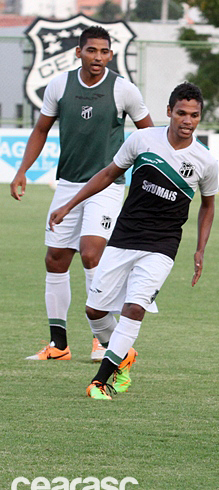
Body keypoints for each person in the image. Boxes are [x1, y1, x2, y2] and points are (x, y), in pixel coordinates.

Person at [48, 82, 218, 400]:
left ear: (199, 117)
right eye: (181, 113)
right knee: (95, 312)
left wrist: (200, 248)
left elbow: (208, 206)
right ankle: (123, 354)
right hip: (124, 237)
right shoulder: (141, 140)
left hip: (163, 245)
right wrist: (68, 205)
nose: (187, 120)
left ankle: (100, 381)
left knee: (134, 308)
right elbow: (108, 174)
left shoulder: (205, 162)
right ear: (169, 112)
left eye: (194, 115)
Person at [11, 25, 153, 363]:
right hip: (69, 185)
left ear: (111, 54)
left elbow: (150, 137)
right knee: (55, 259)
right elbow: (41, 130)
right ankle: (58, 345)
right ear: (79, 52)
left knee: (91, 253)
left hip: (106, 186)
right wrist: (22, 170)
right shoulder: (59, 86)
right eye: (92, 51)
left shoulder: (124, 90)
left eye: (105, 52)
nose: (98, 57)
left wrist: (145, 184)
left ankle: (102, 341)